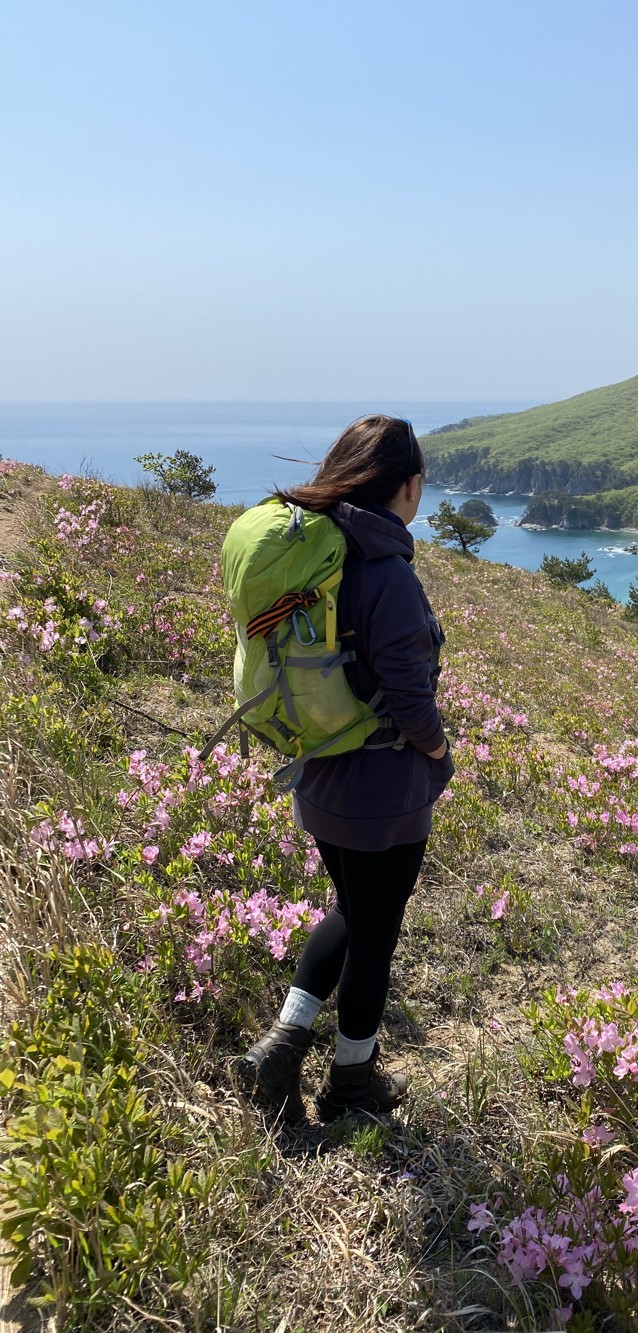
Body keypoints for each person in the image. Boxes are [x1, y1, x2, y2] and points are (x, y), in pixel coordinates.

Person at [236, 415, 454, 1123]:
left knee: (351, 909)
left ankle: (281, 1045)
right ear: (408, 485)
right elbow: (410, 694)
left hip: (321, 774)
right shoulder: (384, 570)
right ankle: (351, 1081)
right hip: (382, 789)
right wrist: (439, 754)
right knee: (376, 931)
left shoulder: (319, 553)